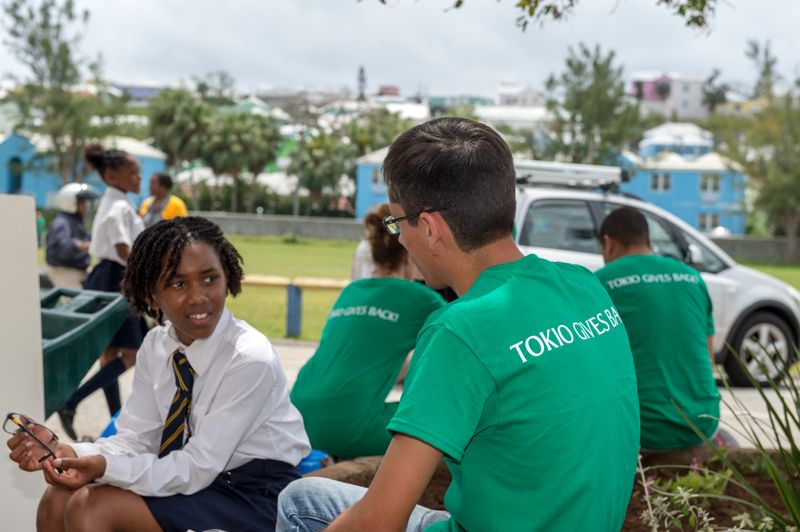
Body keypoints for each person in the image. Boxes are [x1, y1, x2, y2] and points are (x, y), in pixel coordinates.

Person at [277, 117, 640, 531]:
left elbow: (379, 522)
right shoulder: (584, 286)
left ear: (430, 228)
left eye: (397, 223)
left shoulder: (459, 329)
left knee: (300, 500)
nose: (400, 239)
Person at [8, 216, 310, 532]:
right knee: (57, 497)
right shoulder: (157, 345)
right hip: (194, 476)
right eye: (178, 284)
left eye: (210, 279)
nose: (198, 296)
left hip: (255, 493)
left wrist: (104, 468)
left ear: (227, 278)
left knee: (92, 507)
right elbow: (137, 439)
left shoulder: (248, 357)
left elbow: (198, 466)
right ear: (151, 296)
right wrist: (70, 453)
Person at [291, 204, 445, 458]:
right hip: (349, 429)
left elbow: (366, 357)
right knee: (448, 416)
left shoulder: (351, 291)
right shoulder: (422, 299)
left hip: (298, 416)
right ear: (409, 253)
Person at [595, 206, 721, 450]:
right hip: (703, 422)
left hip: (645, 430)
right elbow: (709, 358)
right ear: (648, 241)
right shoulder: (692, 277)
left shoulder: (601, 282)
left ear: (608, 243)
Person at [56, 144, 147, 441]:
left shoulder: (115, 201)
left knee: (110, 355)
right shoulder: (119, 206)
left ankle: (116, 425)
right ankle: (72, 401)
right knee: (132, 353)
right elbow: (123, 248)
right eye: (132, 172)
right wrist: (147, 276)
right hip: (117, 277)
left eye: (139, 172)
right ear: (111, 176)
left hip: (104, 276)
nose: (139, 177)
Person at [45, 183, 98, 289]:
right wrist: (77, 245)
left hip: (76, 271)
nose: (85, 206)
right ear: (71, 202)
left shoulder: (74, 221)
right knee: (75, 299)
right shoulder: (62, 222)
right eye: (82, 202)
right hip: (65, 272)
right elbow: (60, 248)